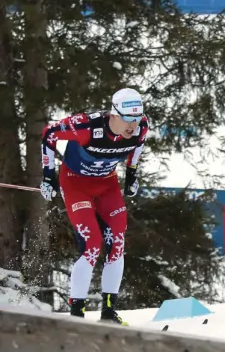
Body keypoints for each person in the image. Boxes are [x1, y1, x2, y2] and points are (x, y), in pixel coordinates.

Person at [40, 88, 149, 325]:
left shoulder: (140, 127)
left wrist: (131, 175)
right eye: (128, 119)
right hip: (76, 184)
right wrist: (48, 176)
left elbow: (138, 146)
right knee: (92, 244)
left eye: (137, 118)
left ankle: (109, 312)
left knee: (117, 242)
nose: (133, 125)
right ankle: (77, 314)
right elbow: (49, 134)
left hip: (107, 185)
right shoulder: (86, 126)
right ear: (114, 114)